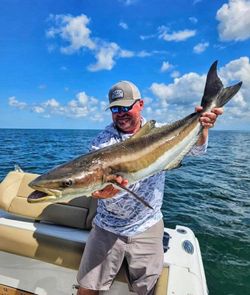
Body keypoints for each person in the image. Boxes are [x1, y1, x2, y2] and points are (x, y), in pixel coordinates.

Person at [77, 81, 223, 295]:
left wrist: (204, 127)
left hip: (148, 225)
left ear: (141, 104)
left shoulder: (161, 131)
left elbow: (197, 151)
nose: (121, 113)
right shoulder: (101, 143)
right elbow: (96, 187)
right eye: (115, 109)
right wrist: (100, 195)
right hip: (107, 227)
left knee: (147, 290)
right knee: (87, 288)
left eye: (126, 107)